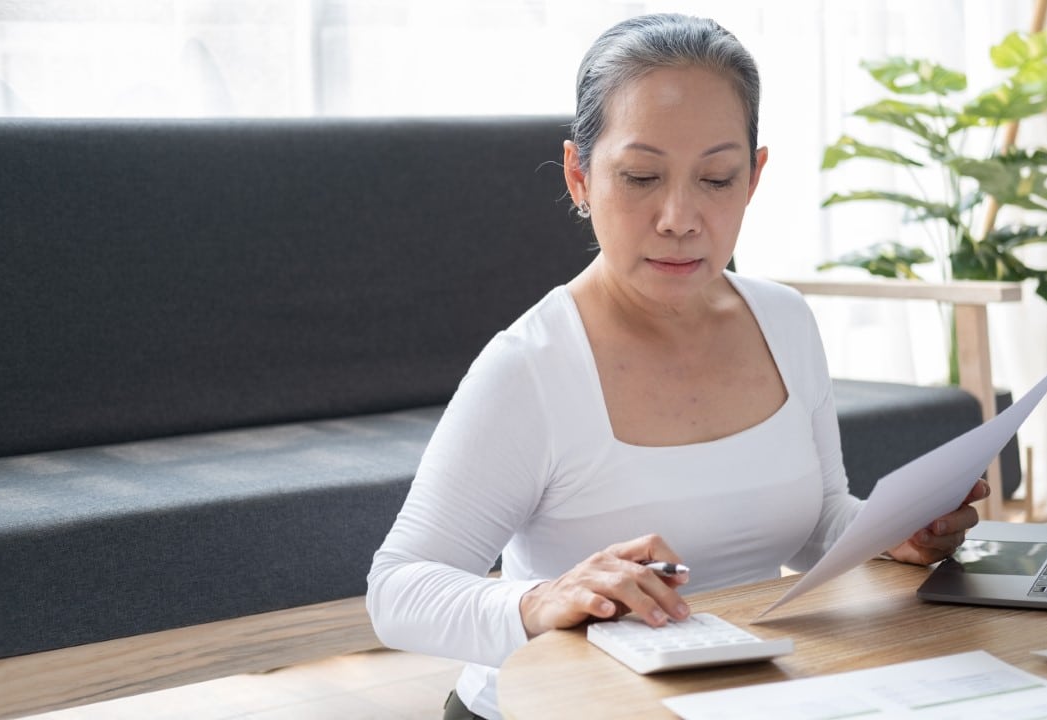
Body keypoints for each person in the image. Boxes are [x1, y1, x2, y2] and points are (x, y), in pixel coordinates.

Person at [366, 13, 987, 720]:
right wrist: (539, 600)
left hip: (737, 700)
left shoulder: (784, 322)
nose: (679, 216)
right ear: (579, 175)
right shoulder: (532, 368)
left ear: (753, 179)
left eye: (716, 178)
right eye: (641, 176)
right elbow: (397, 588)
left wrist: (889, 535)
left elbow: (818, 521)